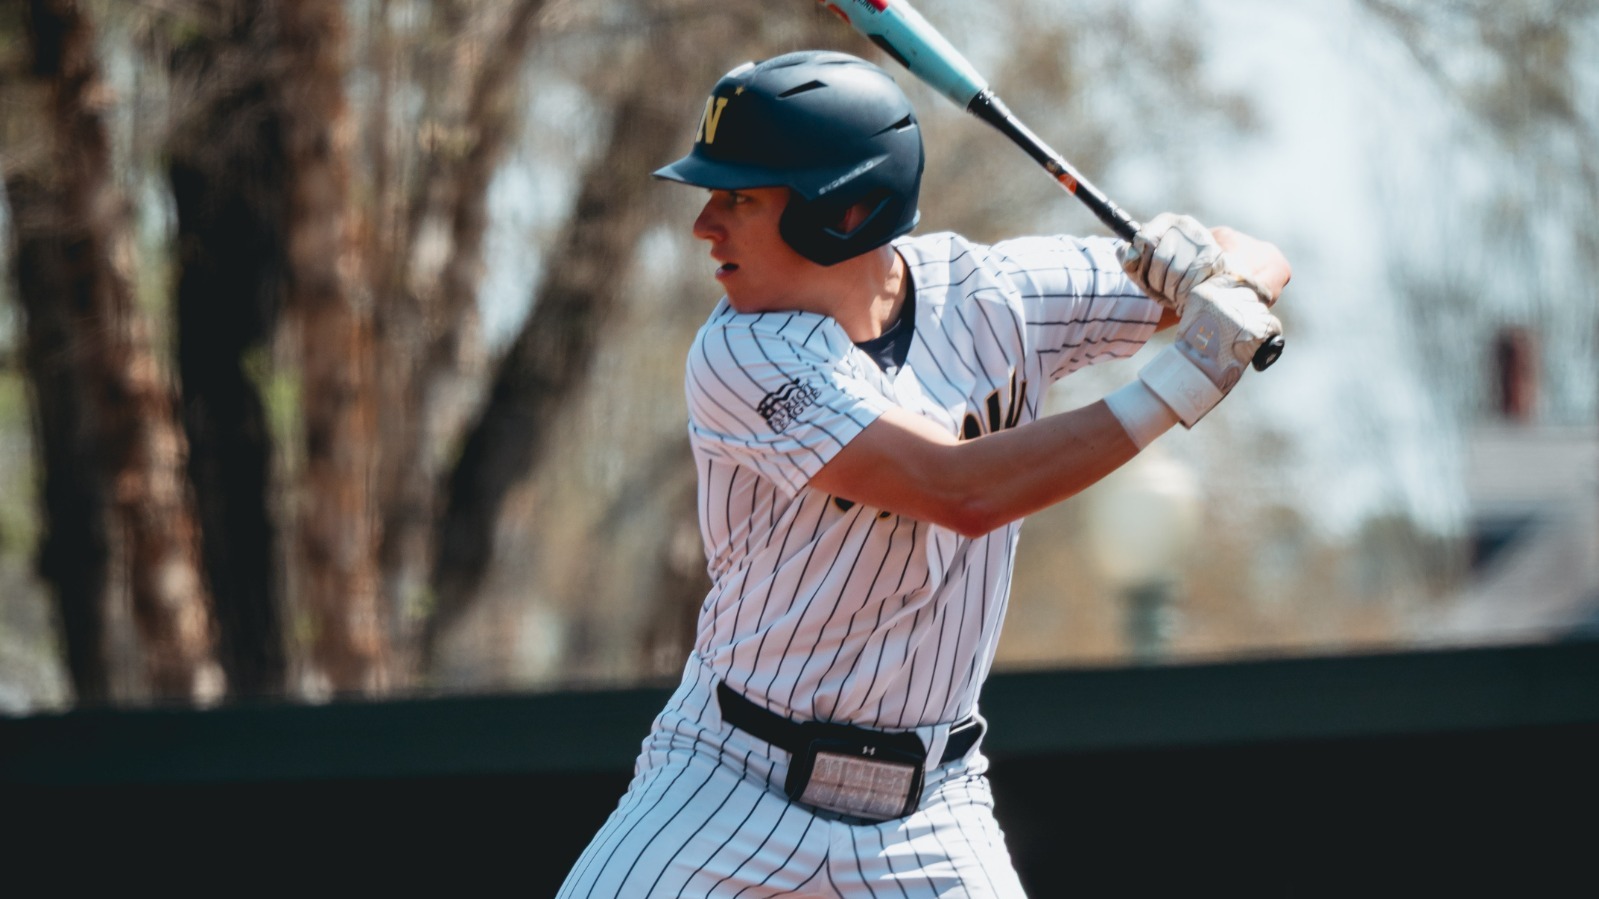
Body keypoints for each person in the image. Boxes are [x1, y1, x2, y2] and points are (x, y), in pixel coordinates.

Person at [557, 50, 1289, 898]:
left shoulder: (996, 294)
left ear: (846, 208)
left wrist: (1213, 270)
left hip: (928, 807)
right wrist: (1182, 382)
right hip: (728, 780)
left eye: (740, 197)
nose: (704, 224)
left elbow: (1260, 259)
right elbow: (960, 491)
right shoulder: (740, 351)